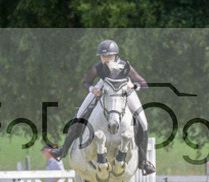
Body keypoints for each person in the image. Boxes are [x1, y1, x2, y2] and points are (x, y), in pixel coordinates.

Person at [51, 40, 155, 175]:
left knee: (143, 122)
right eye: (103, 56)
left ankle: (143, 162)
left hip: (124, 89)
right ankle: (64, 149)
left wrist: (133, 86)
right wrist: (92, 89)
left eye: (109, 56)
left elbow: (144, 83)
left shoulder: (124, 66)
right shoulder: (98, 68)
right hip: (103, 86)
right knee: (80, 114)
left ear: (116, 55)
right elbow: (86, 82)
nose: (106, 59)